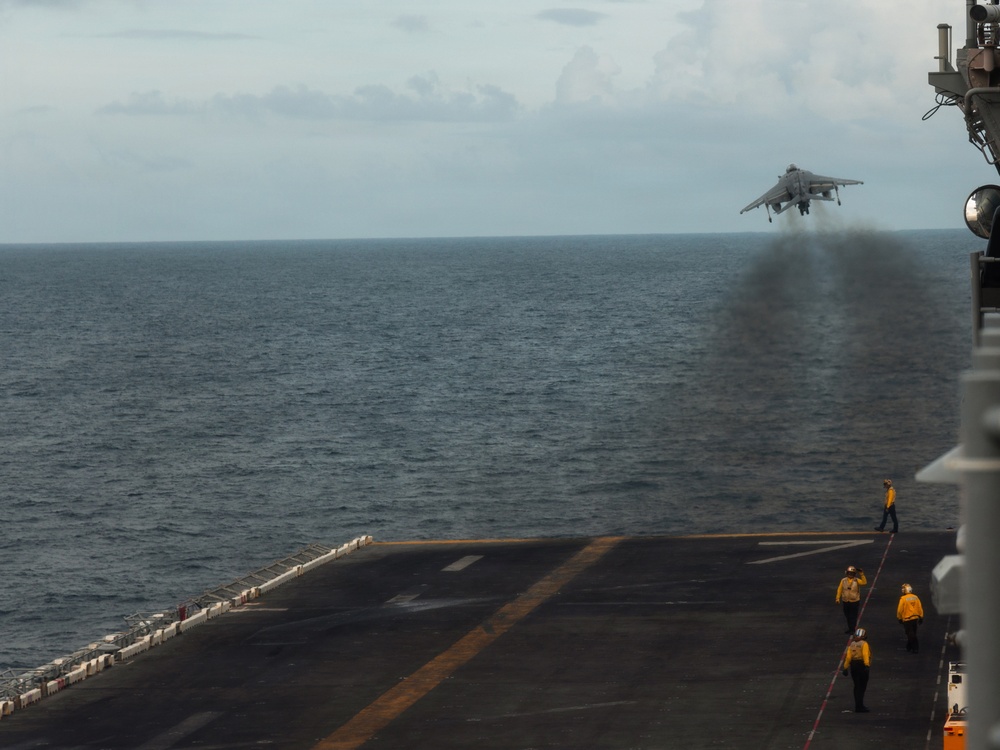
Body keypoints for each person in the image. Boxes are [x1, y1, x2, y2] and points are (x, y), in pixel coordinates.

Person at [842, 627, 872, 713]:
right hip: (861, 665)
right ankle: (860, 706)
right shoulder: (864, 644)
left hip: (853, 666)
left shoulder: (852, 644)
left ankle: (857, 705)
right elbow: (865, 654)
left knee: (856, 686)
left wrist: (845, 668)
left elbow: (848, 657)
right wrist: (867, 665)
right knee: (862, 686)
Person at [836, 565, 867, 633]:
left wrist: (862, 574)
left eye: (852, 573)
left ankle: (852, 629)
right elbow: (840, 589)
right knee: (847, 616)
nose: (850, 574)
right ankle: (850, 628)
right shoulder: (843, 580)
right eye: (849, 573)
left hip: (854, 601)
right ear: (847, 573)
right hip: (846, 601)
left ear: (854, 574)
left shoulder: (857, 580)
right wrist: (837, 598)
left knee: (853, 616)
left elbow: (864, 582)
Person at [897, 583, 924, 653]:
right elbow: (919, 608)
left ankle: (915, 648)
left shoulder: (903, 599)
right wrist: (921, 617)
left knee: (910, 634)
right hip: (915, 619)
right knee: (913, 633)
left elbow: (899, 610)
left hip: (907, 619)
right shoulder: (916, 597)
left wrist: (899, 618)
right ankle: (909, 647)